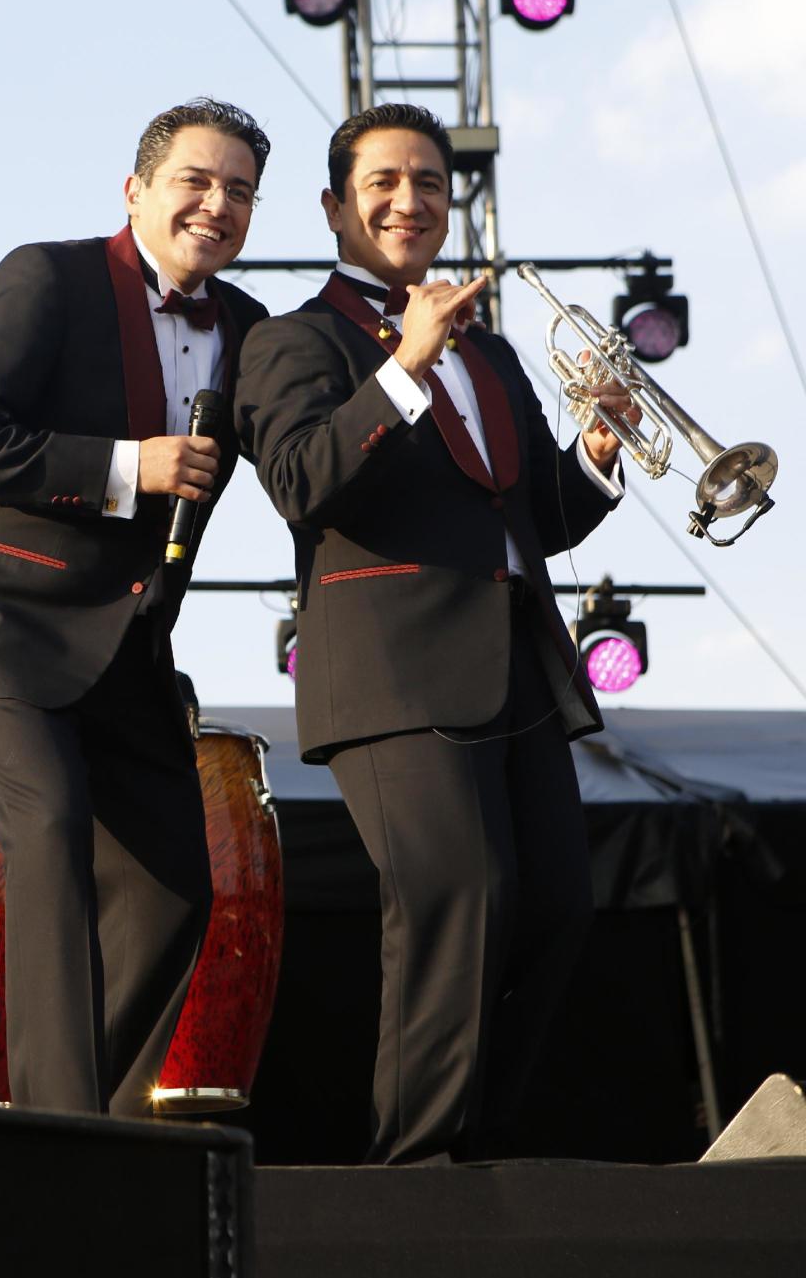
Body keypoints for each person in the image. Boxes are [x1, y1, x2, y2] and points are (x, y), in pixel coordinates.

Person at [235, 102, 637, 1165]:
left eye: (428, 182)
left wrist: (596, 450)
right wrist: (402, 368)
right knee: (461, 897)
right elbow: (301, 481)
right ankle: (409, 1172)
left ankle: (478, 1149)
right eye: (382, 182)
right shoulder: (293, 340)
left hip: (516, 667)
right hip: (395, 675)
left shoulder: (493, 354)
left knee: (554, 907)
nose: (409, 200)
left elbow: (531, 517)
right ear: (334, 206)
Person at [0, 98, 269, 1117]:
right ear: (137, 190)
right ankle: (57, 1134)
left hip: (129, 643)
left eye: (239, 190)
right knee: (54, 830)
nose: (217, 203)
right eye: (196, 179)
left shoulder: (247, 329)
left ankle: (77, 1120)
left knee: (174, 890)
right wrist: (126, 467)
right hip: (1, 619)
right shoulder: (48, 277)